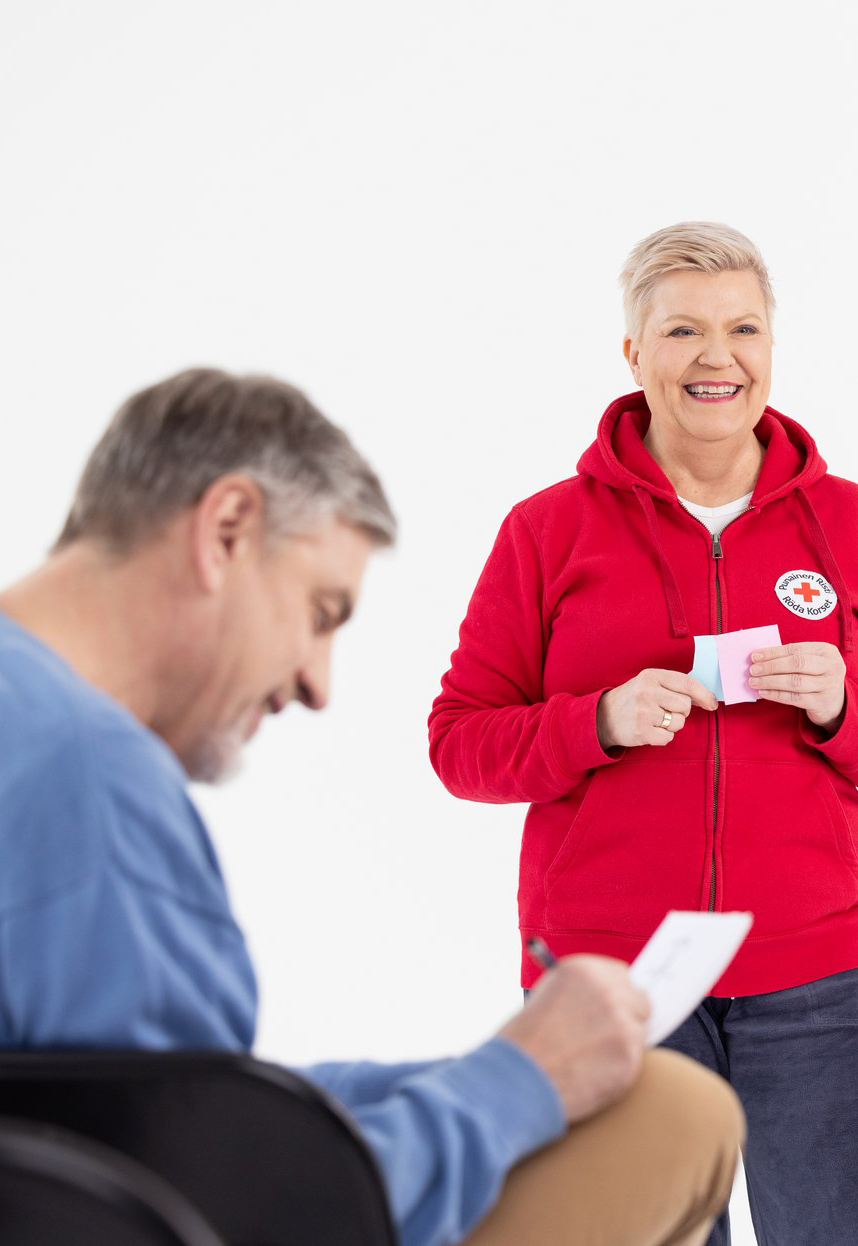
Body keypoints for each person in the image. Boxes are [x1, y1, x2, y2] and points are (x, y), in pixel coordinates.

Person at [0, 368, 744, 1246]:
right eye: (320, 612)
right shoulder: (90, 783)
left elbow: (136, 1111)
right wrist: (521, 1080)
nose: (318, 684)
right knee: (671, 1109)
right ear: (226, 530)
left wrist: (469, 1076)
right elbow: (234, 1205)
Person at [429, 222, 858, 1244]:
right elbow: (460, 741)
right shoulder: (546, 531)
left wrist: (848, 706)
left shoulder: (848, 525)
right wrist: (596, 720)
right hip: (613, 981)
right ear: (633, 354)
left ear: (771, 346)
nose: (717, 358)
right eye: (682, 331)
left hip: (818, 972)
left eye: (743, 329)